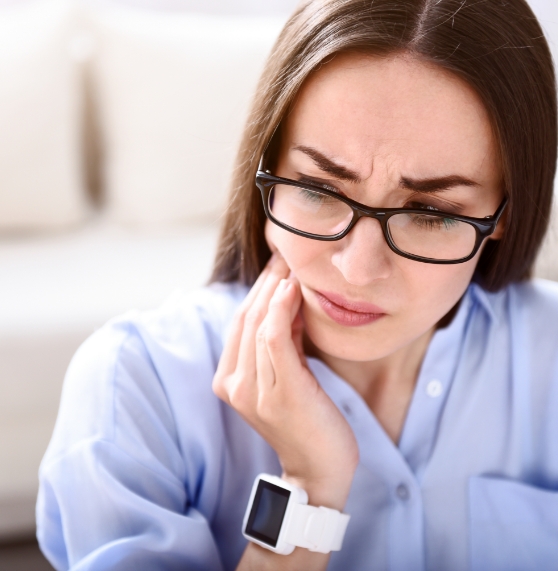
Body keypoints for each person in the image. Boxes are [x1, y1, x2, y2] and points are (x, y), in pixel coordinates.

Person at [37, 0, 558, 570]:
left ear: (505, 212)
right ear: (268, 166)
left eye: (430, 213)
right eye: (319, 188)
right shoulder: (136, 388)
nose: (358, 269)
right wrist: (308, 486)